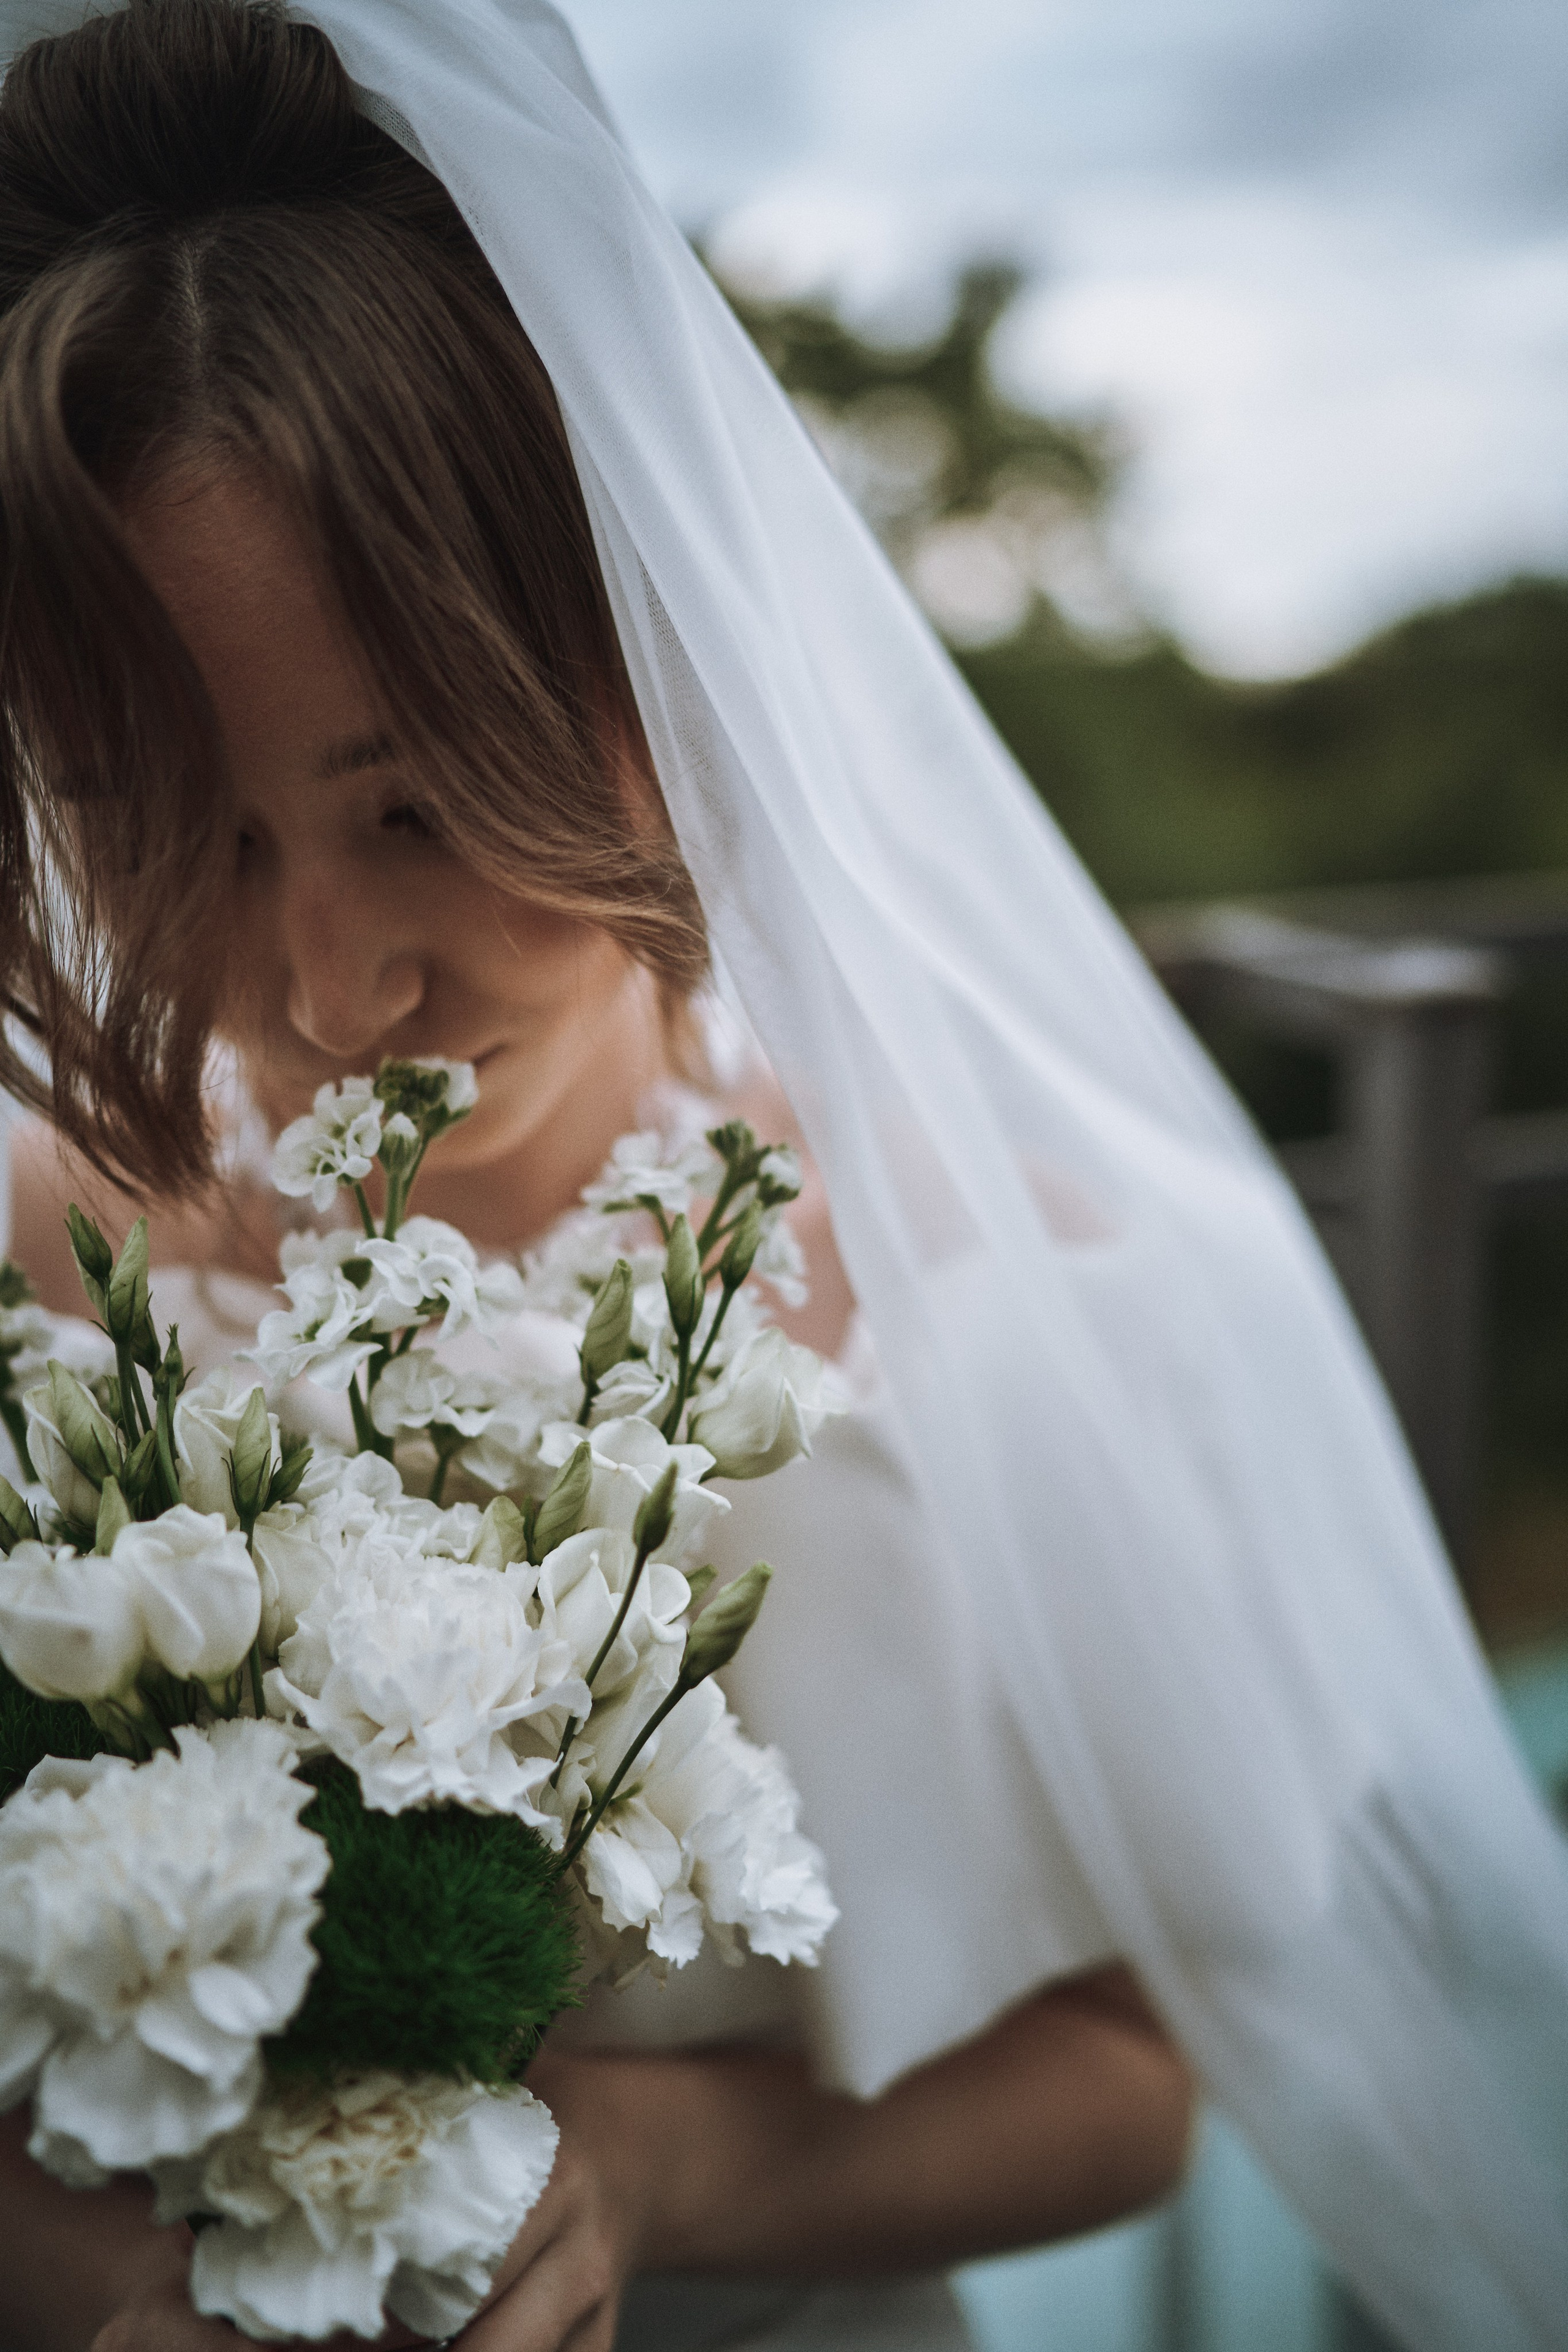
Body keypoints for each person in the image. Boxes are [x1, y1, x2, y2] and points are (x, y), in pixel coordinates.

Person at [0, 6, 1562, 2352]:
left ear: (654, 666)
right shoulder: (44, 1274)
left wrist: (653, 2169)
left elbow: (1137, 2080)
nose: (330, 987)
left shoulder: (1003, 1289)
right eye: (187, 845)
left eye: (416, 802)